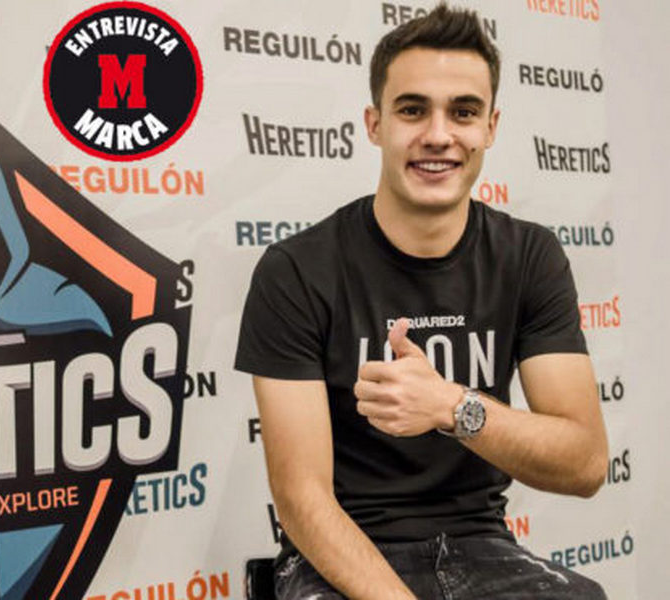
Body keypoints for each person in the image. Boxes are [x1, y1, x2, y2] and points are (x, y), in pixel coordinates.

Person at [234, 4, 609, 599]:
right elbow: (302, 498)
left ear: (491, 127)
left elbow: (585, 463)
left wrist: (452, 406)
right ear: (374, 124)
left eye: (463, 111)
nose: (438, 135)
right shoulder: (297, 270)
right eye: (412, 110)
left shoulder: (529, 256)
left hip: (482, 547)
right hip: (339, 558)